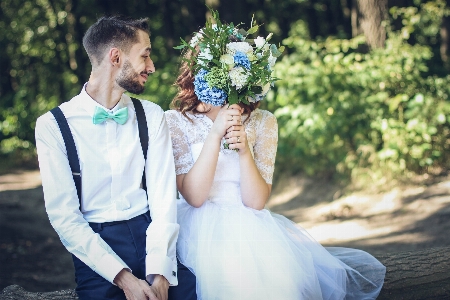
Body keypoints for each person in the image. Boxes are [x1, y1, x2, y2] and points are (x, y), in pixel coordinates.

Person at [164, 17, 386, 300]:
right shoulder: (176, 121)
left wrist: (244, 150)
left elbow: (256, 202)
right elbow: (194, 197)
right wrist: (215, 134)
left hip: (250, 227)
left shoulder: (263, 122)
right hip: (197, 230)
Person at [35, 16, 196, 300]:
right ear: (116, 56)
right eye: (145, 55)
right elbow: (65, 217)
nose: (152, 67)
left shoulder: (152, 115)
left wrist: (160, 273)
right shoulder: (53, 126)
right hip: (96, 247)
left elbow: (162, 198)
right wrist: (125, 280)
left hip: (151, 235)